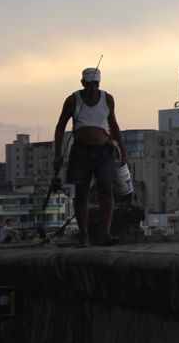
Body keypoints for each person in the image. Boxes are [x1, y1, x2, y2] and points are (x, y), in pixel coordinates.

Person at [53, 66, 128, 246]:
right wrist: (58, 155)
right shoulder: (73, 100)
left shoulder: (107, 99)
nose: (92, 88)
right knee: (82, 193)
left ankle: (106, 234)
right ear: (83, 83)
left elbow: (114, 125)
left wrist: (123, 150)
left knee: (107, 191)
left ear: (99, 83)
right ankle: (84, 235)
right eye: (89, 84)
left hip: (103, 150)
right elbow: (60, 126)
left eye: (95, 84)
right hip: (81, 150)